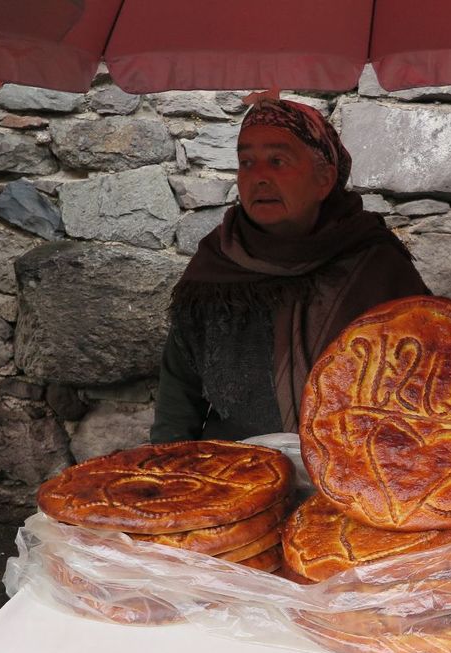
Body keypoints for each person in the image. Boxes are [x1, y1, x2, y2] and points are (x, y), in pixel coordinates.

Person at [150, 92, 430, 443]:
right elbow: (177, 406)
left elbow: (429, 385)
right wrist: (170, 475)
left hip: (358, 478)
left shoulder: (377, 267)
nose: (259, 177)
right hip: (234, 478)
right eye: (246, 163)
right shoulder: (215, 270)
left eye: (278, 161)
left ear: (324, 179)